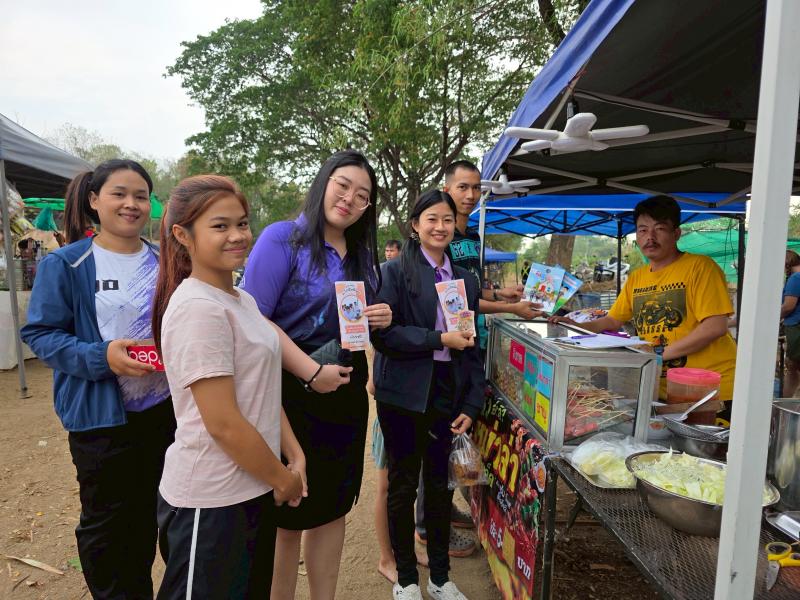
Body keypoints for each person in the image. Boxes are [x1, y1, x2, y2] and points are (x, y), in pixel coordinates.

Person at [151, 175, 350, 598]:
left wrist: (294, 452)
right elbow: (223, 422)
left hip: (251, 489)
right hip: (210, 500)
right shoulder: (197, 309)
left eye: (242, 224)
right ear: (182, 235)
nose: (237, 236)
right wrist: (283, 478)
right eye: (220, 226)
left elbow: (260, 389)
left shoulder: (242, 300)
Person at [21, 159, 176, 599]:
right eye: (119, 194)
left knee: (164, 517)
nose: (131, 204)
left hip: (166, 415)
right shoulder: (68, 264)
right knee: (110, 527)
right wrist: (101, 356)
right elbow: (41, 335)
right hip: (101, 421)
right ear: (94, 200)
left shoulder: (166, 261)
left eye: (141, 196)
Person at [241, 150, 392, 599]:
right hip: (291, 392)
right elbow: (253, 318)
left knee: (332, 508)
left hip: (344, 394)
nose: (349, 199)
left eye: (362, 195)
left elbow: (352, 320)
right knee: (289, 510)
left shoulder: (363, 255)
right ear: (323, 182)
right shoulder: (281, 239)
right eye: (342, 185)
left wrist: (377, 317)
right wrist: (309, 373)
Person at [373, 189, 485, 600]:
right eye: (432, 219)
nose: (440, 227)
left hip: (446, 393)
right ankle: (405, 579)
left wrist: (471, 403)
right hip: (402, 394)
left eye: (448, 220)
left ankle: (440, 577)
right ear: (416, 225)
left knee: (439, 486)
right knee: (403, 487)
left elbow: (472, 346)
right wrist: (439, 337)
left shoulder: (465, 281)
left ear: (456, 227)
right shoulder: (394, 272)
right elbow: (384, 336)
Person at [552, 195, 737, 406]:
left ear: (676, 233)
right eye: (642, 230)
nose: (650, 237)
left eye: (659, 228)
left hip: (711, 390)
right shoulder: (637, 278)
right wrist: (575, 326)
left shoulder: (701, 267)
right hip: (662, 389)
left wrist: (657, 354)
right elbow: (612, 320)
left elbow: (714, 327)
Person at [781, 250, 800, 396]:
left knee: (793, 365)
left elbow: (788, 305)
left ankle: (786, 404)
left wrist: (770, 319)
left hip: (796, 326)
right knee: (793, 367)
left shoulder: (795, 278)